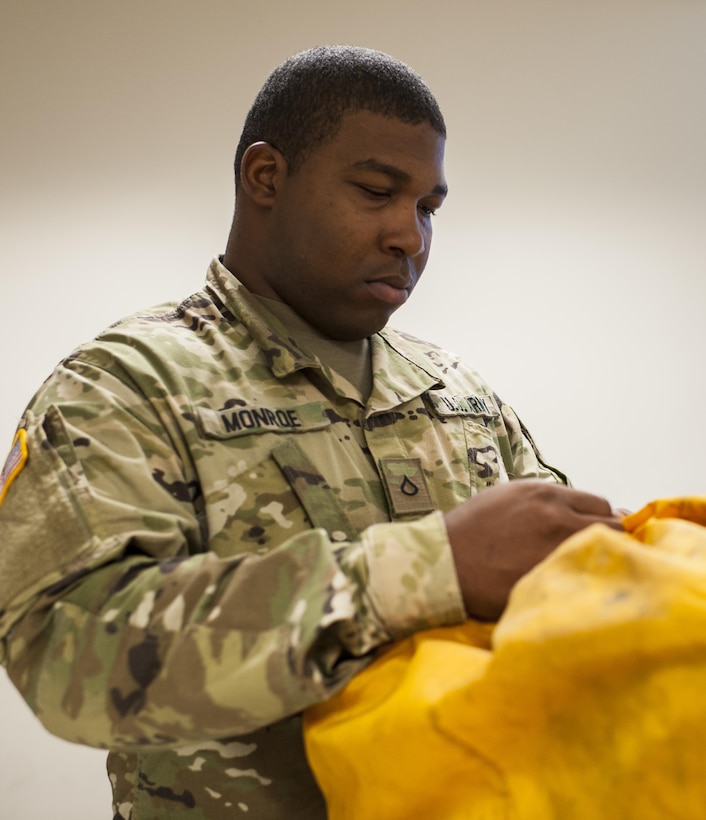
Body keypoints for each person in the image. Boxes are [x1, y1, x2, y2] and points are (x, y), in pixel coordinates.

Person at [0, 45, 622, 819]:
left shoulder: (459, 391)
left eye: (429, 208)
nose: (411, 236)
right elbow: (68, 658)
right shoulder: (124, 386)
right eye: (375, 191)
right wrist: (430, 568)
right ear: (265, 178)